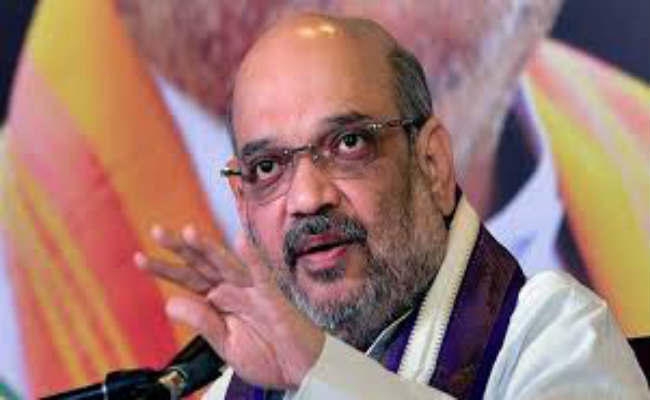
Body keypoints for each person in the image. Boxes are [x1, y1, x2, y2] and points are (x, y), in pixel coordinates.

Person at [133, 13, 648, 399]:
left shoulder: (558, 340)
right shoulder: (238, 388)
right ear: (243, 204)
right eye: (268, 167)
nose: (308, 198)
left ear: (432, 163)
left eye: (349, 143)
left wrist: (320, 371)